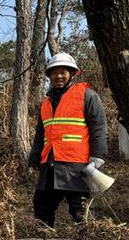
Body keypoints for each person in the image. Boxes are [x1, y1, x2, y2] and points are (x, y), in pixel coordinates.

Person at [28, 52, 107, 227]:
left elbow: (99, 127)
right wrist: (35, 157)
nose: (58, 76)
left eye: (62, 72)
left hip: (77, 165)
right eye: (54, 73)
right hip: (50, 164)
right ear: (49, 76)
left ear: (72, 73)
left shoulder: (87, 95)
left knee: (80, 210)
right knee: (42, 207)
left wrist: (98, 156)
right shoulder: (46, 103)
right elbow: (40, 134)